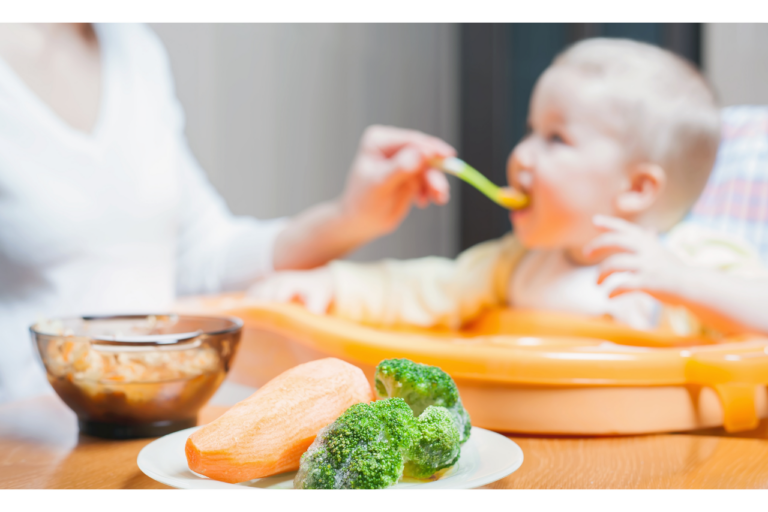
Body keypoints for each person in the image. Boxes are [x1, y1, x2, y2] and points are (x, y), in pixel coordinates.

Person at [0, 21, 455, 403]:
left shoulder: (133, 47)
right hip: (25, 451)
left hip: (155, 426)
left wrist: (350, 218)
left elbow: (204, 253)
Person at [252, 38, 767, 337]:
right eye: (528, 131)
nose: (521, 155)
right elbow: (426, 289)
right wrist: (332, 286)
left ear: (636, 188)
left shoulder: (689, 258)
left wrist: (685, 283)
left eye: (555, 138)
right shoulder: (516, 263)